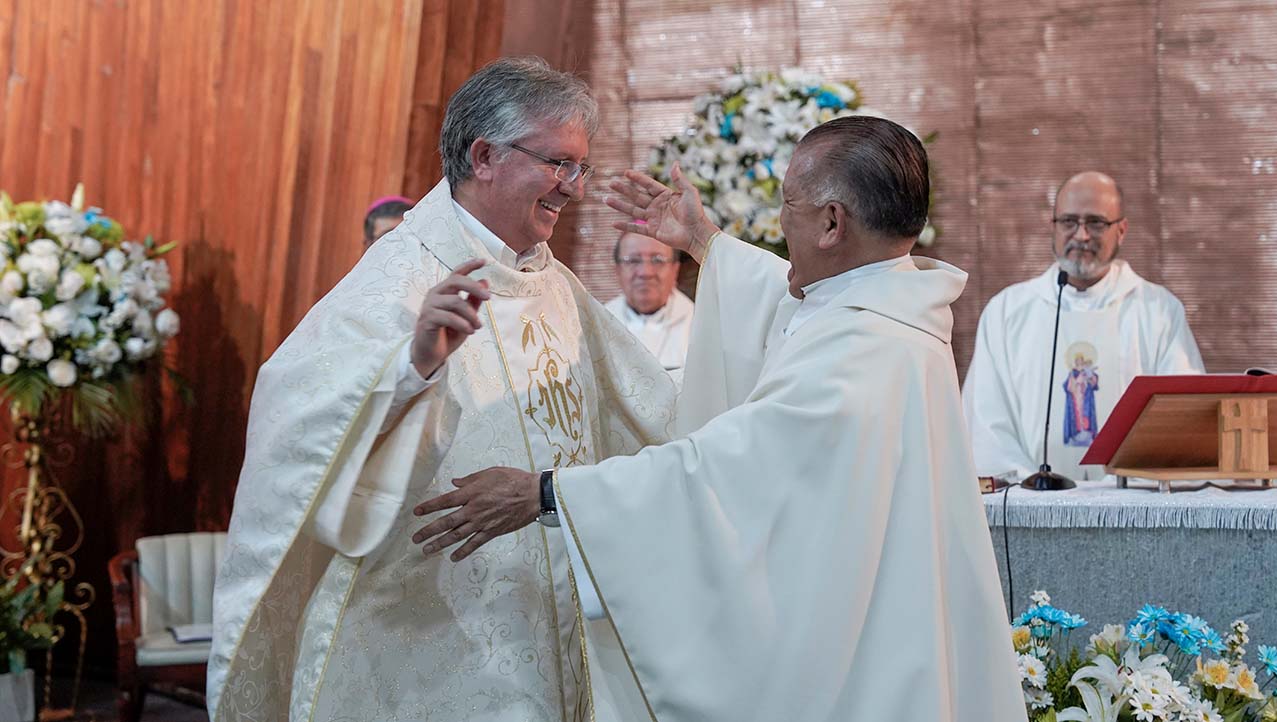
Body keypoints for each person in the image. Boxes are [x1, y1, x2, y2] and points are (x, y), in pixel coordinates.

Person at [413, 116, 1026, 721]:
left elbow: (719, 472)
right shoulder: (887, 307)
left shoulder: (862, 351)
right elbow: (790, 313)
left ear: (833, 222)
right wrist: (704, 242)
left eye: (790, 204)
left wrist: (546, 494)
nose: (783, 223)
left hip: (857, 659)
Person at [207, 57, 678, 722]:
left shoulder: (554, 284)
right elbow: (292, 419)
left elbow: (656, 415)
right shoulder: (397, 277)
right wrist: (411, 366)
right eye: (557, 164)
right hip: (422, 637)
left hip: (544, 617)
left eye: (580, 167)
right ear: (484, 155)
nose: (570, 187)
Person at [963, 171, 1204, 481]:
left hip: (1130, 503)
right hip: (1032, 504)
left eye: (1095, 223)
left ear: (1122, 230)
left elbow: (1180, 418)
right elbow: (985, 422)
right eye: (1068, 222)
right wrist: (1029, 485)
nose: (1081, 235)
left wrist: (1125, 486)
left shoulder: (1158, 311)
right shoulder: (1007, 311)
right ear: (1053, 227)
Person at [603, 231, 693, 380]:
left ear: (675, 269)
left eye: (657, 260)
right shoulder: (599, 322)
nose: (645, 272)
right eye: (633, 261)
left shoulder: (699, 322)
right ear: (617, 270)